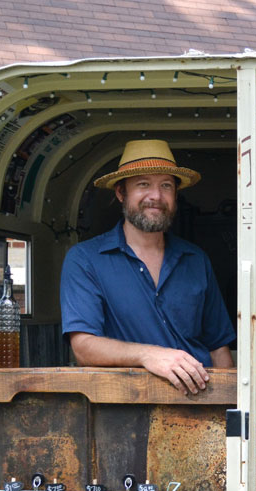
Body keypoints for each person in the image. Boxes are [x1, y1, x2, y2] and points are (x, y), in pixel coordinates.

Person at [61, 139, 235, 394]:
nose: (156, 196)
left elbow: (218, 347)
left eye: (166, 185)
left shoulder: (195, 259)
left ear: (175, 195)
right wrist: (149, 355)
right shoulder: (85, 259)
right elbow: (83, 347)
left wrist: (230, 409)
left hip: (200, 405)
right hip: (124, 408)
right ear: (121, 193)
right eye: (143, 184)